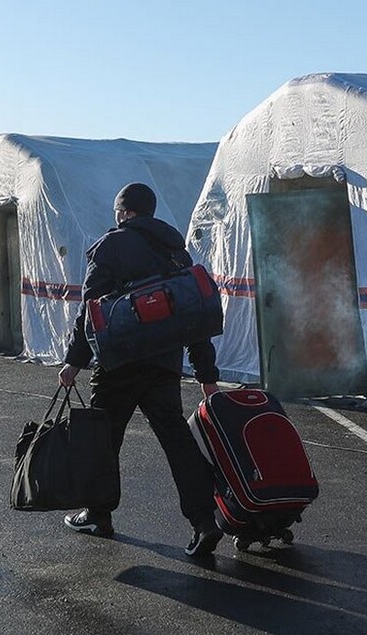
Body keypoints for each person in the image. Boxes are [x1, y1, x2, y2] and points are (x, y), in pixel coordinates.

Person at [58, 182, 223, 557]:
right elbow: (192, 312)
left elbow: (91, 310)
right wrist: (206, 376)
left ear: (125, 212)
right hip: (164, 362)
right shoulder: (175, 250)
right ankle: (204, 522)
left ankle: (99, 514)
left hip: (119, 363)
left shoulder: (111, 245)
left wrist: (74, 361)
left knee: (104, 440)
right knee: (177, 441)